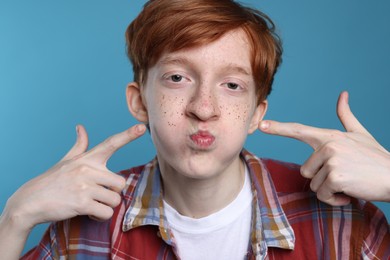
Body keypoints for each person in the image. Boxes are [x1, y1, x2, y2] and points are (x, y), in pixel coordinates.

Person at [0, 0, 389, 259]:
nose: (204, 109)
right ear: (140, 102)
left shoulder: (342, 222)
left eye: (232, 85)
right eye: (177, 78)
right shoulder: (82, 232)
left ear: (257, 112)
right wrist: (15, 218)